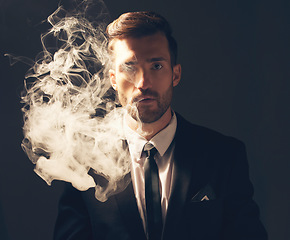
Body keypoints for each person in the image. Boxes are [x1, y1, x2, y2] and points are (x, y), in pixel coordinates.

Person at [53, 11, 267, 240]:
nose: (143, 82)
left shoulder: (223, 156)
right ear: (113, 79)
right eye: (130, 67)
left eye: (156, 66)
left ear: (175, 75)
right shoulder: (85, 161)